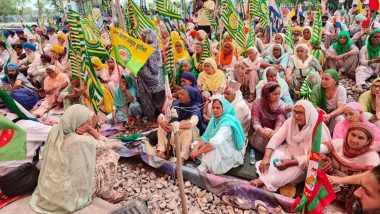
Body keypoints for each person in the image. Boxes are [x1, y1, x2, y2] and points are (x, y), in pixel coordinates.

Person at [30, 105, 125, 213]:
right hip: (67, 196)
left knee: (89, 156)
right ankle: (108, 194)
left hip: (49, 190)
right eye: (85, 122)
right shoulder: (79, 141)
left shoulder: (55, 131)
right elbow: (108, 144)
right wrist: (91, 130)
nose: (87, 124)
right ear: (78, 122)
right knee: (109, 155)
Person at [250, 100, 331, 191]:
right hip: (287, 152)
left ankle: (263, 181)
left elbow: (323, 149)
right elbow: (275, 139)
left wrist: (290, 163)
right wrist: (266, 157)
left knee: (288, 174)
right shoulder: (290, 122)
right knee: (272, 162)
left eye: (301, 113)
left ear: (308, 114)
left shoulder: (317, 128)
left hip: (302, 163)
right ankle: (270, 180)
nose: (296, 116)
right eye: (295, 112)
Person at [324, 122, 380, 213]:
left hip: (350, 186)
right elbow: (322, 148)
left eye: (360, 138)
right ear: (347, 134)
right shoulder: (339, 143)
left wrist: (340, 180)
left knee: (362, 185)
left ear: (368, 141)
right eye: (352, 134)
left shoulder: (372, 156)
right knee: (320, 161)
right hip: (332, 178)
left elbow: (371, 175)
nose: (354, 140)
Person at [190, 98, 246, 174]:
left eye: (218, 108)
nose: (215, 110)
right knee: (194, 145)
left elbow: (214, 143)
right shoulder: (214, 119)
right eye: (213, 107)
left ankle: (202, 169)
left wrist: (197, 153)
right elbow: (205, 137)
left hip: (229, 150)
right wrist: (196, 148)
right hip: (216, 145)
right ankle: (206, 162)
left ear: (224, 109)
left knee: (214, 147)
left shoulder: (227, 123)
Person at [156, 86, 206, 162]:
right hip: (176, 130)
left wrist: (176, 126)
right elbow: (162, 115)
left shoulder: (195, 107)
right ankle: (161, 150)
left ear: (190, 97)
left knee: (188, 128)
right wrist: (161, 122)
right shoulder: (176, 103)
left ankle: (182, 157)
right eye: (179, 94)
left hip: (191, 134)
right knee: (162, 124)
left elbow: (193, 122)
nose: (179, 96)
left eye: (183, 94)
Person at [249, 82, 287, 153]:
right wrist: (263, 132)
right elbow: (255, 121)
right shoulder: (257, 103)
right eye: (274, 94)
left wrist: (275, 132)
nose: (277, 96)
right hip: (260, 133)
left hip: (275, 132)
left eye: (279, 93)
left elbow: (281, 119)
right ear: (266, 94)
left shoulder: (281, 103)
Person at [137, 28, 165, 122]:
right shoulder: (152, 47)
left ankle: (158, 120)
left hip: (153, 80)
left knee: (158, 101)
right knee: (154, 101)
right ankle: (155, 119)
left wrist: (141, 67)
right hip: (153, 79)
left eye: (143, 36)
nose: (141, 38)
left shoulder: (151, 49)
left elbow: (153, 68)